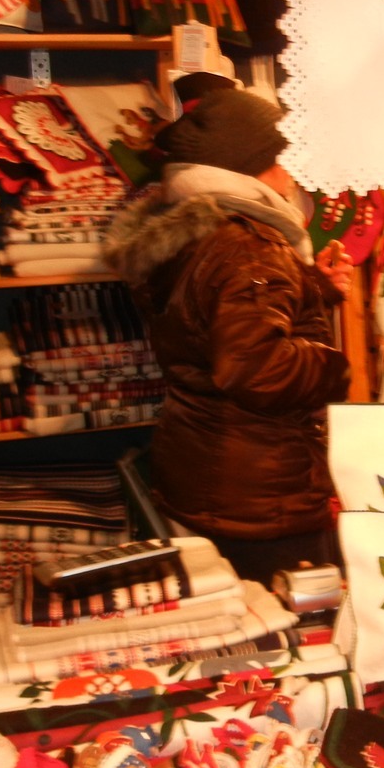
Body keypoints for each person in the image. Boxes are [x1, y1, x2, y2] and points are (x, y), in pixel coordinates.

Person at [104, 76, 353, 581]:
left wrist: (310, 289)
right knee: (289, 620)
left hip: (206, 467)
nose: (293, 171)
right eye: (285, 155)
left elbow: (206, 320)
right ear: (253, 162)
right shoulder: (249, 245)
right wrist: (335, 367)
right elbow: (256, 368)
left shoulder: (195, 230)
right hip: (261, 488)